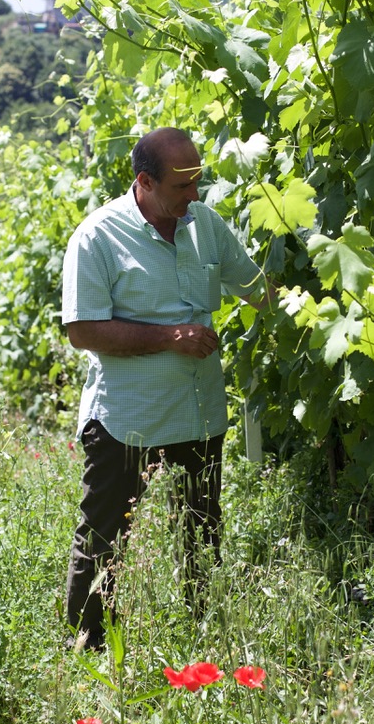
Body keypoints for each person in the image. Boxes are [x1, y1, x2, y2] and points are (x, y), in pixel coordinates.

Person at [61, 127, 267, 650]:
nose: (194, 194)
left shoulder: (205, 226)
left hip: (198, 413)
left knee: (202, 532)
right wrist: (170, 337)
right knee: (104, 541)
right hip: (127, 419)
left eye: (198, 181)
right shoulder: (98, 237)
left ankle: (205, 642)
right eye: (182, 185)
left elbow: (255, 287)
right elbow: (83, 330)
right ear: (145, 182)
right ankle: (91, 654)